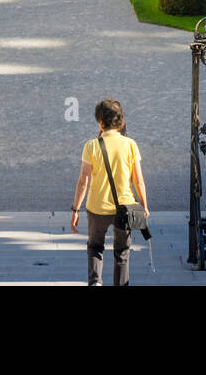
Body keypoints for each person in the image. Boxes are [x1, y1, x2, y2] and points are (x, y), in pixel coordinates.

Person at [71, 98, 148, 287]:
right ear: (120, 121)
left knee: (95, 248)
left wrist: (75, 209)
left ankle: (95, 282)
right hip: (124, 208)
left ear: (100, 121)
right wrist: (144, 206)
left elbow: (83, 181)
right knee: (122, 252)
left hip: (97, 207)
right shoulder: (130, 144)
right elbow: (138, 180)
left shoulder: (91, 145)